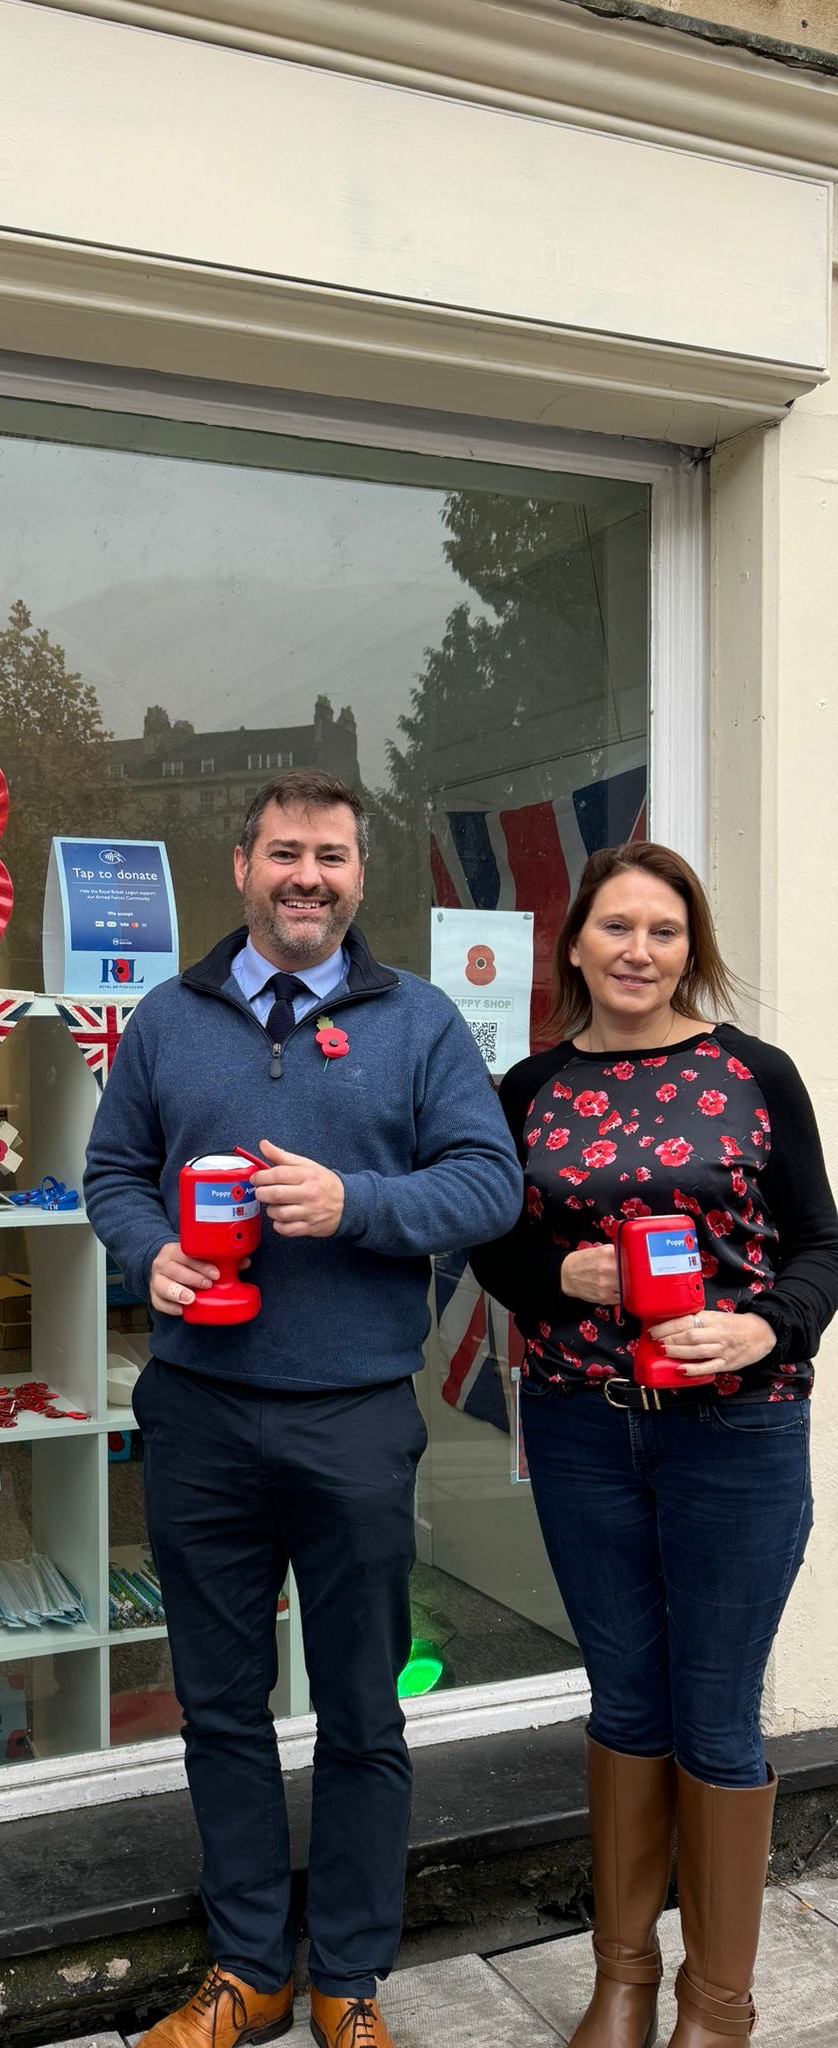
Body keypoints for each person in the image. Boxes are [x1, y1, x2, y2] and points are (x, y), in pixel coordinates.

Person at [84, 769, 522, 2048]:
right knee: (219, 1706)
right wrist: (147, 1247)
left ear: (358, 874)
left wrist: (358, 1206)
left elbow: (488, 1185)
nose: (309, 875)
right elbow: (113, 1172)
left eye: (332, 854)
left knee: (363, 1710)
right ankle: (246, 1972)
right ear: (242, 864)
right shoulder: (168, 1019)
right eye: (286, 851)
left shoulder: (421, 1022)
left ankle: (350, 1976)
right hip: (201, 1413)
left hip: (353, 1414)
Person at [470, 842, 838, 2048]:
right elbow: (493, 1246)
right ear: (573, 942)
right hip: (583, 1427)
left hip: (736, 1428)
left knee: (718, 1712)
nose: (639, 950)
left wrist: (762, 1324)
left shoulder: (752, 1070)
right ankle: (623, 1978)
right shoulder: (528, 1085)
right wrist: (555, 1272)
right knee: (626, 1698)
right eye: (616, 927)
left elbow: (821, 1244)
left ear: (693, 947)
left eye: (665, 931)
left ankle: (717, 2005)